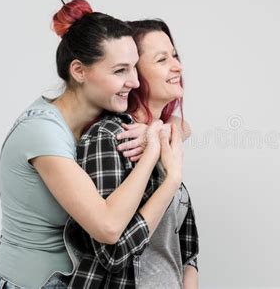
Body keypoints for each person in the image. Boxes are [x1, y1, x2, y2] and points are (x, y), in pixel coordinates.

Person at [0, 0, 165, 288]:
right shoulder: (41, 132)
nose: (133, 81)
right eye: (120, 70)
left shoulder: (101, 119)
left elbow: (181, 126)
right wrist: (153, 149)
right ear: (79, 71)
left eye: (134, 67)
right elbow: (107, 228)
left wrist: (154, 130)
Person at [64, 19, 199, 289]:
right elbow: (113, 255)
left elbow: (186, 253)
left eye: (174, 55)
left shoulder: (165, 137)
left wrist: (160, 134)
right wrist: (171, 179)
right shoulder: (111, 138)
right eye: (162, 60)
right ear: (133, 74)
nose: (178, 66)